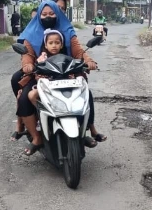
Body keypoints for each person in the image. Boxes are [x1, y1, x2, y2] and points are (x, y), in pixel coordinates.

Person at [16, 1, 105, 155]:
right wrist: (28, 65)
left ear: (58, 13)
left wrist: (89, 61)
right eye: (44, 14)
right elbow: (27, 54)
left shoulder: (67, 31)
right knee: (24, 99)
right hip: (41, 75)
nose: (48, 17)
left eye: (52, 13)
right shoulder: (31, 34)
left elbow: (78, 51)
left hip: (66, 73)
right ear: (39, 15)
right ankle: (36, 137)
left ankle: (85, 130)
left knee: (86, 95)